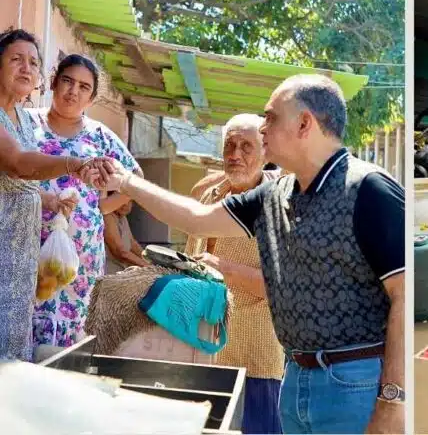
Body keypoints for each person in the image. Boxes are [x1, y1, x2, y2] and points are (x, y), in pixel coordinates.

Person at [100, 75, 405, 435]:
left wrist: (392, 400)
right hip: (295, 377)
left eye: (271, 117)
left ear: (305, 123)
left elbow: (404, 294)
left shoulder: (368, 189)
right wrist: (125, 181)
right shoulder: (277, 195)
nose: (263, 128)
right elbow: (197, 219)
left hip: (355, 384)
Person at [0, 30, 108, 361]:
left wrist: (49, 201)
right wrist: (73, 165)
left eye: (33, 62)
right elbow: (18, 164)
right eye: (16, 59)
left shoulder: (19, 117)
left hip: (20, 260)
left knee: (12, 357)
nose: (26, 68)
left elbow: (14, 183)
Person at [30, 53, 140, 348]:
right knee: (25, 323)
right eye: (67, 81)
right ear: (53, 83)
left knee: (71, 334)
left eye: (83, 87)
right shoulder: (28, 124)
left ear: (91, 98)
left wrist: (100, 208)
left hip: (81, 257)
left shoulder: (100, 136)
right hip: (28, 244)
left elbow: (135, 178)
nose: (73, 91)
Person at [185, 115, 285, 435]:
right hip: (207, 353)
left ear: (266, 152)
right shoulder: (211, 197)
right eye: (229, 145)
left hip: (257, 356)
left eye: (246, 146)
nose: (235, 154)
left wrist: (222, 268)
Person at [103, 197, 146, 272]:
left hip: (121, 270)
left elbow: (133, 244)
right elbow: (120, 251)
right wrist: (147, 266)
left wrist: (150, 260)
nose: (125, 204)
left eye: (129, 201)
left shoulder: (123, 217)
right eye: (122, 200)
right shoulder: (108, 216)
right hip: (108, 272)